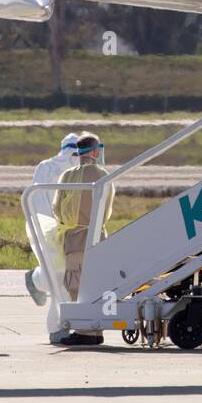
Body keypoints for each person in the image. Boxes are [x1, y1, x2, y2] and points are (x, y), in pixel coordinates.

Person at [52, 133, 115, 345]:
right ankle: (94, 330)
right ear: (95, 151)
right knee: (96, 285)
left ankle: (84, 331)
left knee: (76, 285)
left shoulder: (67, 176)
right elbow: (107, 209)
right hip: (98, 235)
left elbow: (57, 208)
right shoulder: (104, 175)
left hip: (75, 238)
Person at [23, 133, 78, 340]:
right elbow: (38, 201)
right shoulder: (49, 167)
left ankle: (36, 279)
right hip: (50, 231)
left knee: (63, 276)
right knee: (61, 278)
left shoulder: (47, 167)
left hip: (58, 230)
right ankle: (57, 329)